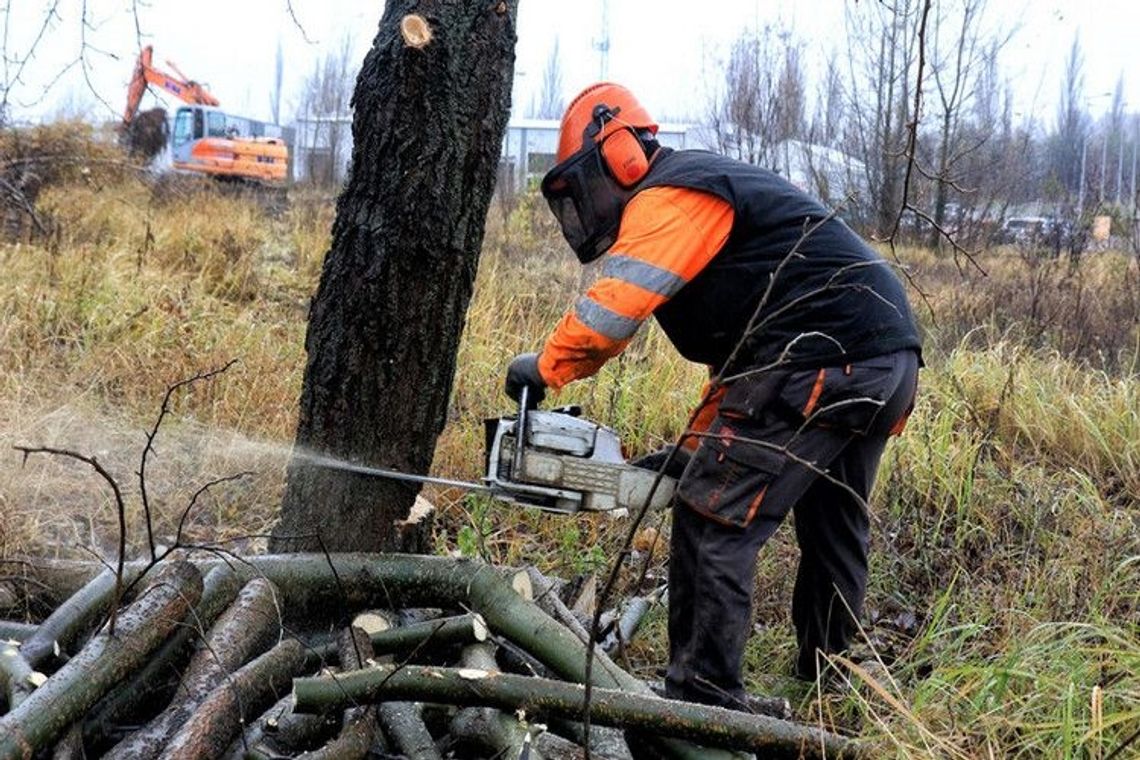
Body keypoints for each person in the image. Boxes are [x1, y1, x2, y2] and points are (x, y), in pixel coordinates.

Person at [503, 82, 921, 709]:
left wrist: (544, 366)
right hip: (881, 359)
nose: (585, 207)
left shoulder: (671, 194)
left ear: (620, 157)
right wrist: (694, 450)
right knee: (832, 521)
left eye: (584, 187)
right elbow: (744, 374)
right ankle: (830, 679)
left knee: (710, 517)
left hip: (822, 357)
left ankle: (703, 703)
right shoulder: (704, 194)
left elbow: (613, 312)